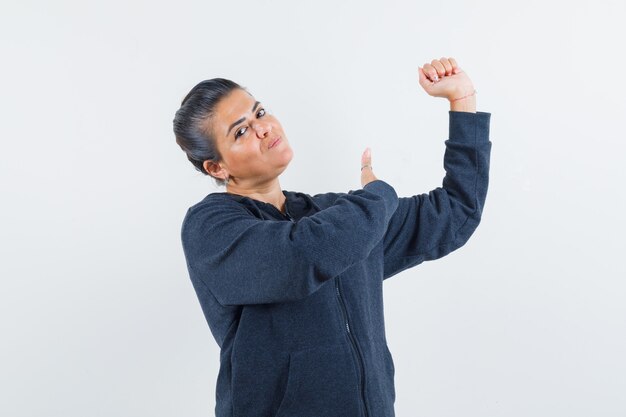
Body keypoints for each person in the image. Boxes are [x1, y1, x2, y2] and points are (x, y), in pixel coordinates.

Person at [174, 57, 492, 417]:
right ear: (217, 167)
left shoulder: (337, 216)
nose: (262, 128)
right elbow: (304, 255)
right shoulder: (211, 227)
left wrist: (462, 102)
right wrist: (379, 194)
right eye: (240, 131)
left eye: (259, 113)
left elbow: (456, 213)